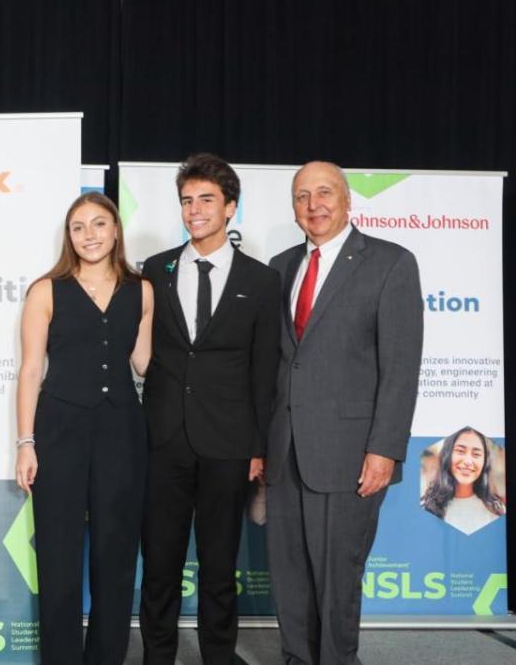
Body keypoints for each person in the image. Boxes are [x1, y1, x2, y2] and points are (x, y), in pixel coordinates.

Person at [266, 161, 423, 665]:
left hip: (349, 452)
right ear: (293, 208)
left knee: (337, 578)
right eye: (302, 196)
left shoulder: (390, 262)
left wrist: (384, 448)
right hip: (284, 448)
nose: (314, 205)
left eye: (324, 193)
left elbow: (401, 367)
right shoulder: (280, 265)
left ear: (348, 200)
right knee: (289, 576)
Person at [138, 154, 281, 664]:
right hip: (163, 441)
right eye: (186, 201)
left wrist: (259, 448)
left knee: (220, 566)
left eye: (205, 200)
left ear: (230, 208)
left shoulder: (262, 281)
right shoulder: (155, 270)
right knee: (159, 563)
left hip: (229, 445)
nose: (193, 210)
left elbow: (265, 373)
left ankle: (218, 655)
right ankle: (158, 655)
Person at [14, 191, 153, 663]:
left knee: (116, 558)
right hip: (59, 432)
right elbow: (31, 370)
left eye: (98, 224)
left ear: (116, 230)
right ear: (68, 236)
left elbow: (143, 362)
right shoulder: (45, 290)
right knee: (58, 557)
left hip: (123, 433)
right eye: (78, 227)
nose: (89, 235)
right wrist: (25, 443)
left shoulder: (143, 289)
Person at [420, 427, 505, 535]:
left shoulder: (497, 510)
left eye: (476, 454)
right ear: (447, 455)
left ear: (485, 462)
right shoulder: (427, 507)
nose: (468, 461)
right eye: (460, 451)